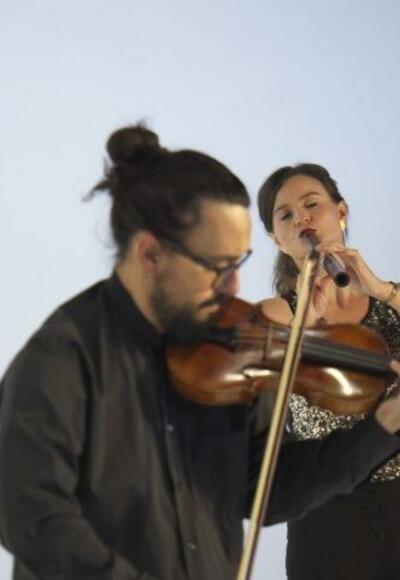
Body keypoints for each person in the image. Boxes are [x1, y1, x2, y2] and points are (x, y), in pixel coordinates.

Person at [1, 130, 400, 580]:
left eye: (238, 263)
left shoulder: (227, 353)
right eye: (218, 266)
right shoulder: (62, 359)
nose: (234, 286)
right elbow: (30, 514)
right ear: (150, 255)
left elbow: (266, 486)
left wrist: (382, 428)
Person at [257, 162, 400, 580]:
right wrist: (305, 320)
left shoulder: (391, 298)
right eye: (285, 215)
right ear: (276, 239)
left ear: (341, 212)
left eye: (311, 204)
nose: (301, 218)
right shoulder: (276, 313)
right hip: (327, 515)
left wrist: (382, 290)